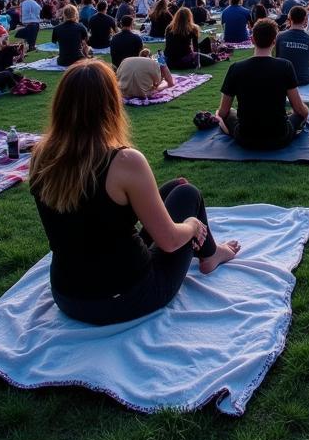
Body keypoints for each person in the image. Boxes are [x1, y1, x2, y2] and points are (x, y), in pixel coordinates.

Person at [30, 60, 239, 325]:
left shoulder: (41, 156)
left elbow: (96, 215)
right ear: (110, 104)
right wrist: (192, 225)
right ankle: (210, 255)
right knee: (189, 195)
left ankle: (210, 251)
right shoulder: (124, 161)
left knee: (177, 188)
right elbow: (170, 241)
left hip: (67, 295)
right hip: (126, 295)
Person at [218, 19, 309, 149]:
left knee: (227, 113)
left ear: (252, 40)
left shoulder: (236, 68)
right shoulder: (285, 66)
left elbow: (223, 111)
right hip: (280, 136)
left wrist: (219, 115)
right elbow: (299, 108)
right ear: (274, 41)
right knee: (300, 113)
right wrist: (306, 111)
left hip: (245, 137)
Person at [275, 6, 309, 86]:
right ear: (305, 19)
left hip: (283, 79)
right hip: (303, 80)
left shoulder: (280, 36)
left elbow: (276, 57)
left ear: (289, 18)